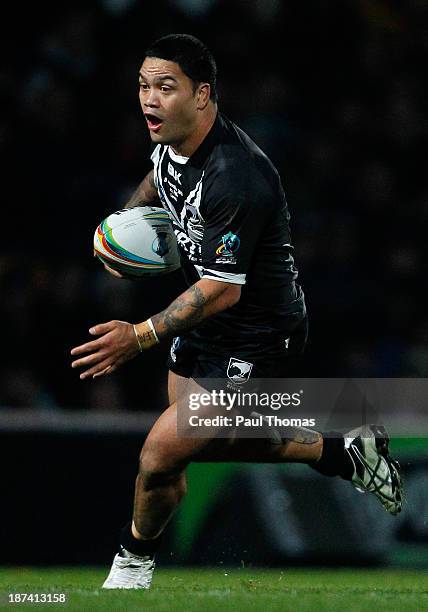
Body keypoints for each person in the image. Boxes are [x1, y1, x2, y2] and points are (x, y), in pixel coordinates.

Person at [71, 34, 403, 589]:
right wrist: (121, 227)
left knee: (159, 452)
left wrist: (141, 334)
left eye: (165, 88)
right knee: (189, 450)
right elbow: (160, 177)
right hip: (207, 326)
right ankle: (344, 453)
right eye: (143, 86)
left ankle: (130, 569)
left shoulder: (237, 175)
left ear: (203, 95)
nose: (149, 100)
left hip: (257, 332)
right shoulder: (171, 145)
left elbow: (224, 290)